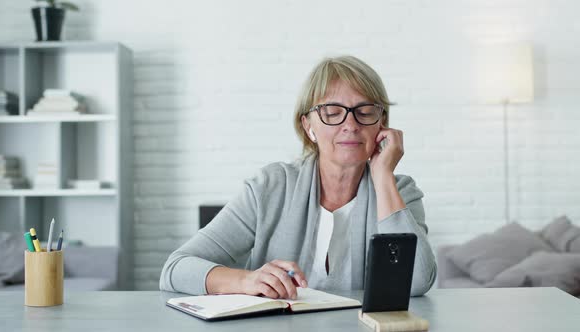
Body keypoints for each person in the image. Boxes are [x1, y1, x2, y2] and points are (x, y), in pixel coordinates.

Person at [159, 55, 436, 300]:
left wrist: (383, 176)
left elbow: (417, 282)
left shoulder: (400, 191)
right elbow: (176, 268)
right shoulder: (270, 187)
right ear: (308, 126)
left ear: (382, 123)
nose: (350, 125)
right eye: (332, 112)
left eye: (365, 112)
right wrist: (246, 280)